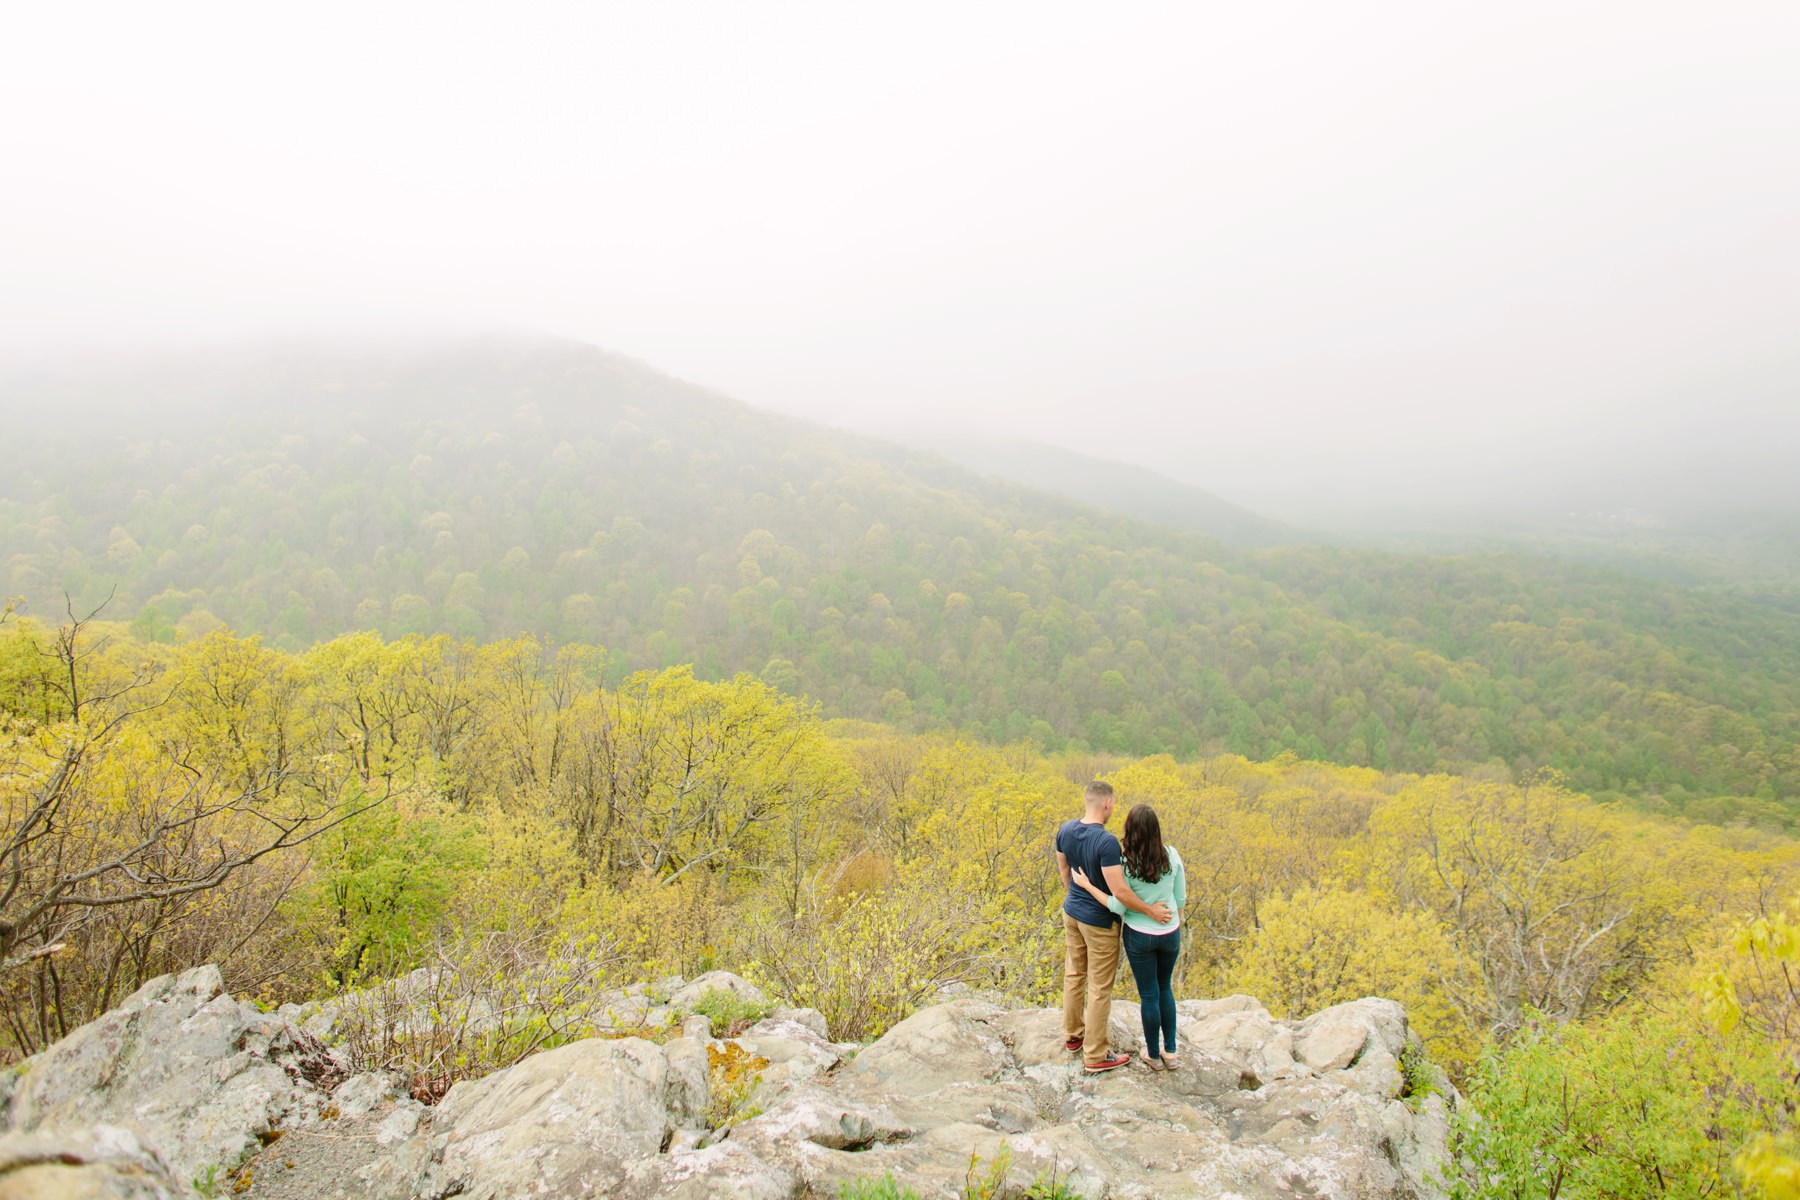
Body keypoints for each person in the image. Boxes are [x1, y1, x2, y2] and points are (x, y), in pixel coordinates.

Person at [1054, 781, 1172, 1074]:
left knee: (1073, 974)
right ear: (1106, 804)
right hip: (1099, 921)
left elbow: (1064, 871)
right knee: (1099, 986)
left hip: (1072, 913)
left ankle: (1073, 1036)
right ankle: (1095, 1054)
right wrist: (1149, 911)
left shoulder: (1065, 830)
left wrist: (1075, 896)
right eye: (1113, 804)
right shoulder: (1107, 843)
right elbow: (1120, 892)